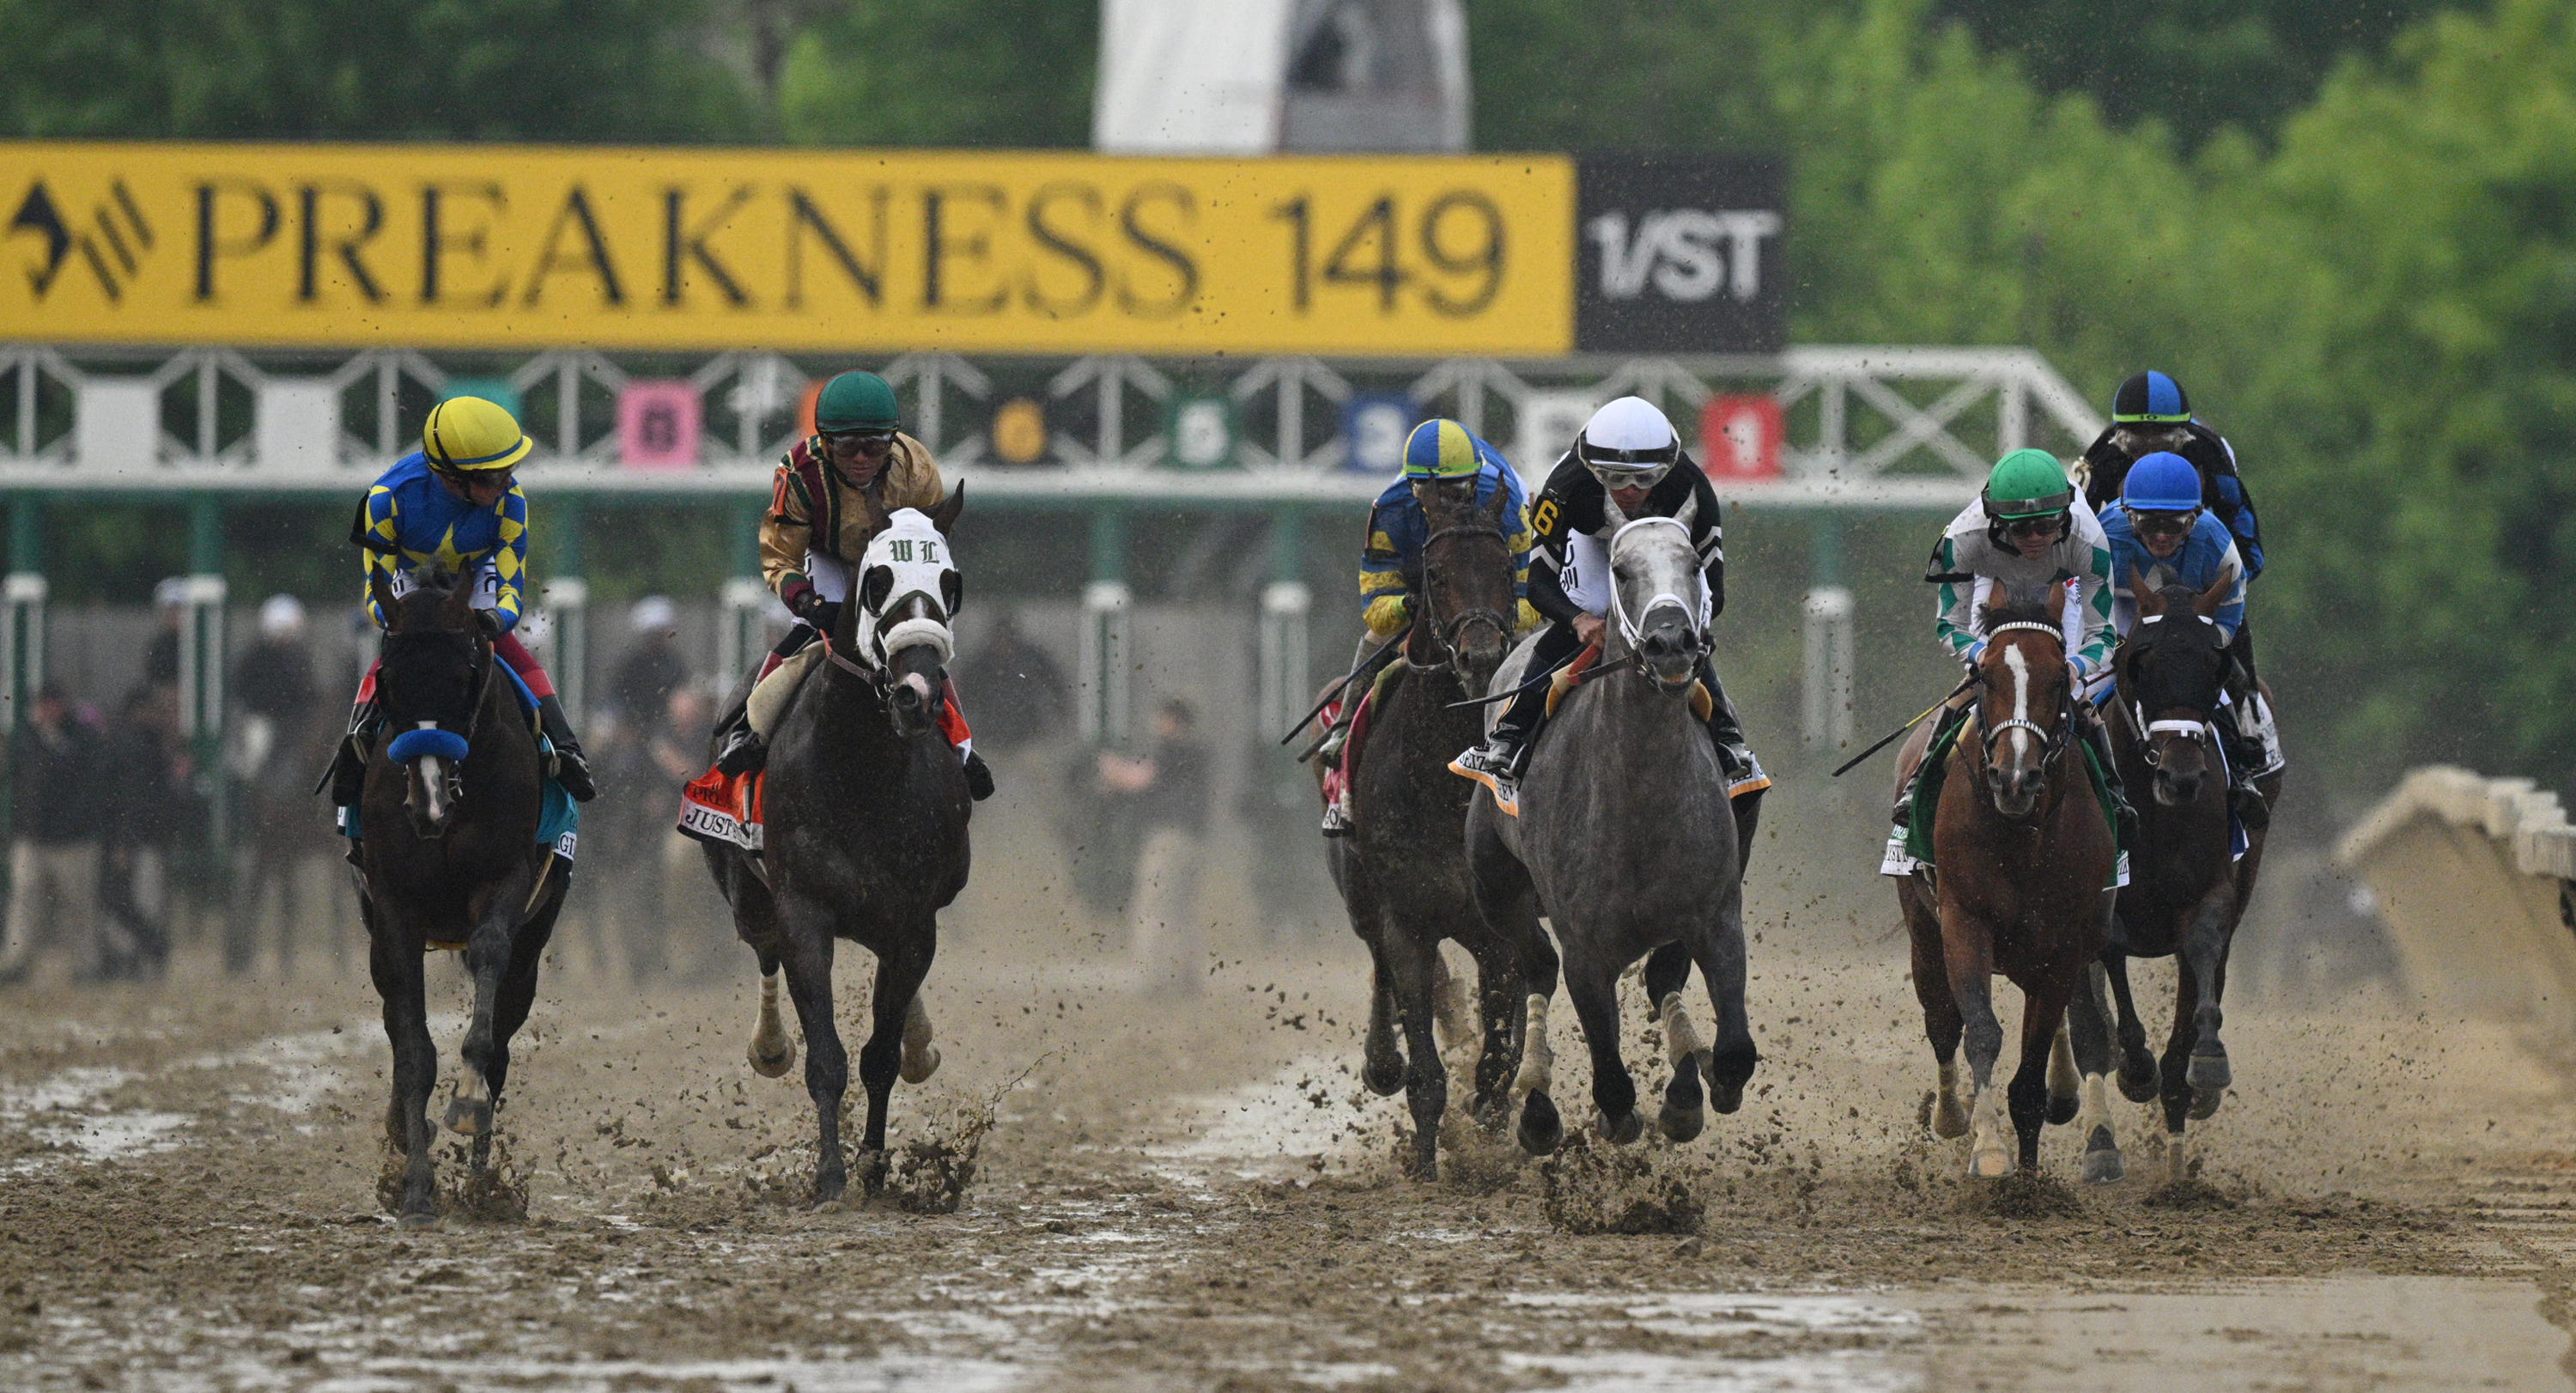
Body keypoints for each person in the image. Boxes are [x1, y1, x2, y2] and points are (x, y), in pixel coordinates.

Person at [1449, 397, 1768, 822]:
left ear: (1667, 470)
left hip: (1662, 542)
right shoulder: (1564, 487)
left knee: (1679, 625)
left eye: (1645, 479)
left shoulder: (1692, 488)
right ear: (1593, 471)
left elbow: (1715, 592)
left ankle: (1727, 735)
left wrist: (1686, 626)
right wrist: (1579, 621)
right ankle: (1510, 731)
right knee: (1594, 603)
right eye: (1614, 478)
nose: (1631, 491)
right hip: (1591, 541)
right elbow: (1538, 586)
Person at [710, 369, 993, 801]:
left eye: (875, 446)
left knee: (918, 640)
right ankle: (750, 732)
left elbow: (929, 549)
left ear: (892, 441)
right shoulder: (800, 474)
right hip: (828, 558)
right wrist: (806, 601)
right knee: (811, 639)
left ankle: (962, 746)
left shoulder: (916, 467)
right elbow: (779, 556)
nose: (862, 458)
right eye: (847, 447)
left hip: (893, 562)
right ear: (824, 441)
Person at [320, 394, 595, 806]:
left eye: (510, 471)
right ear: (449, 476)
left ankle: (565, 745)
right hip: (408, 576)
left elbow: (509, 589)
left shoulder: (511, 502)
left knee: (505, 645)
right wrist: (400, 620)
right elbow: (373, 589)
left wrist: (492, 622)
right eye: (491, 478)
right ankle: (356, 740)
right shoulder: (382, 499)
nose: (506, 484)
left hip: (474, 573)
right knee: (402, 651)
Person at [1886, 448, 2129, 861]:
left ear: (2065, 515)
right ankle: (1915, 792)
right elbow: (1950, 625)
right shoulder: (1963, 540)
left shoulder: (2089, 540)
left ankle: (2116, 800)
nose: (2035, 538)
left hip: (2062, 583)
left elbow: (2101, 631)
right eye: (2022, 529)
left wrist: (2072, 668)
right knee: (1977, 688)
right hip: (1992, 578)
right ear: (1996, 521)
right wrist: (1983, 658)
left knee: (2075, 697)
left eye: (2046, 525)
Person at [1316, 417, 1534, 833]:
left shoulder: (1506, 505)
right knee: (1375, 639)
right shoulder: (1391, 510)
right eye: (1430, 492)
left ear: (1474, 482)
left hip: (1491, 596)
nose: (1444, 501)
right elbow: (1375, 606)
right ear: (1413, 487)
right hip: (1424, 593)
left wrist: (1498, 621)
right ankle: (1343, 738)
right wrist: (1412, 606)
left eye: (1455, 490)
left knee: (1532, 644)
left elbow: (1529, 597)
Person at [2097, 452, 2276, 825]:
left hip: (2190, 623)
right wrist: (2119, 650)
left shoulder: (2217, 544)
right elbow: (2086, 608)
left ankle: (2241, 774)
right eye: (2149, 524)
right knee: (2078, 684)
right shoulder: (2103, 536)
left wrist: (2192, 654)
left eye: (2175, 524)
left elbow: (2228, 617)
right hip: (2120, 609)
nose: (2161, 536)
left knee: (2229, 685)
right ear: (2129, 518)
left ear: (2194, 519)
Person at [2080, 370, 2269, 686]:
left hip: (2195, 577)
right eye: (2138, 446)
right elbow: (2076, 532)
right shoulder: (2104, 456)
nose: (2152, 457)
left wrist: (2211, 589)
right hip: (2125, 585)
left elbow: (2246, 544)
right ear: (2120, 439)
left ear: (2185, 437)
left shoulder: (2209, 453)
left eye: (2165, 444)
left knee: (2236, 675)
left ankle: (2251, 710)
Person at [1100, 698, 1210, 996]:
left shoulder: (1171, 750)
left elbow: (1139, 780)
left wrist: (1111, 769)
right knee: (1183, 911)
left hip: (1166, 839)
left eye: (1161, 719)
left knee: (1153, 909)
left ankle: (1151, 979)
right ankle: (1188, 979)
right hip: (1191, 841)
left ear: (1173, 721)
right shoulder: (1197, 752)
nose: (1156, 725)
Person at [0, 683, 103, 986]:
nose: (46, 710)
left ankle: (86, 967)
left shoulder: (83, 740)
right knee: (24, 903)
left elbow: (91, 790)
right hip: (32, 839)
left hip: (74, 841)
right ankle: (17, 964)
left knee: (79, 907)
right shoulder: (26, 741)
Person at [100, 684, 193, 980]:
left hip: (138, 836)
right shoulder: (141, 745)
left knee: (131, 901)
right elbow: (135, 798)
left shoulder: (136, 743)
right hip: (142, 836)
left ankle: (141, 958)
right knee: (138, 902)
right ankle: (149, 953)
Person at [952, 605, 1071, 748]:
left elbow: (1056, 687)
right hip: (988, 739)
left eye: (1007, 640)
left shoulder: (1032, 661)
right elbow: (962, 698)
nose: (1003, 646)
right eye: (999, 640)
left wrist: (1061, 718)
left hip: (1030, 738)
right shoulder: (979, 665)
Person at [609, 596, 689, 739]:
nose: (655, 639)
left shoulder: (673, 663)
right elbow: (615, 698)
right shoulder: (631, 664)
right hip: (629, 724)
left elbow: (681, 696)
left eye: (659, 634)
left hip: (664, 728)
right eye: (652, 634)